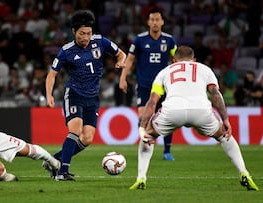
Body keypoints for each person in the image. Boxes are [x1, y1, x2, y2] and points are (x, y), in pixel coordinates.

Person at [129, 45, 259, 191]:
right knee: (224, 136)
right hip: (201, 111)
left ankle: (141, 178)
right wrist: (225, 119)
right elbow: (216, 95)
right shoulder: (204, 69)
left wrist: (143, 126)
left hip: (173, 111)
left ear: (173, 60)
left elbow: (152, 102)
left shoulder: (164, 72)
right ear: (194, 60)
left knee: (148, 135)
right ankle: (244, 172)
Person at [44, 10, 126, 181]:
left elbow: (121, 53)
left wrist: (120, 61)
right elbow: (52, 74)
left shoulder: (100, 41)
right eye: (82, 33)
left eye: (88, 33)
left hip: (93, 97)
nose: (86, 37)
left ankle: (55, 160)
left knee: (87, 138)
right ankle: (62, 172)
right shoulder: (66, 51)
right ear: (74, 32)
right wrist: (49, 95)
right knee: (75, 131)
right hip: (74, 94)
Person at [119, 7, 177, 161]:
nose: (155, 22)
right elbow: (130, 59)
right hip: (144, 85)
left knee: (167, 117)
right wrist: (123, 78)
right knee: (143, 115)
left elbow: (176, 61)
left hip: (164, 86)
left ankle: (167, 151)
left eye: (158, 20)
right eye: (152, 20)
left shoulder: (170, 40)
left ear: (162, 22)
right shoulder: (139, 40)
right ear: (148, 22)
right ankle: (147, 144)